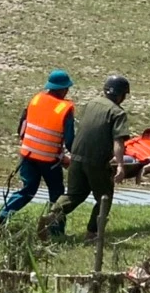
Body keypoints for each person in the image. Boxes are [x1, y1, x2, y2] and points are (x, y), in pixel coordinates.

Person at [45, 75, 130, 241]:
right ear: (120, 95)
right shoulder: (117, 112)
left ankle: (52, 214)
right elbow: (118, 141)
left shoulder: (91, 104)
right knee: (104, 197)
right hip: (97, 162)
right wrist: (120, 165)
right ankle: (92, 233)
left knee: (74, 194)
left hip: (76, 157)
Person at [0, 70, 75, 224]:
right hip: (49, 160)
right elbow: (70, 140)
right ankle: (55, 229)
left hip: (28, 155)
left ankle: (3, 214)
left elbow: (22, 128)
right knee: (57, 194)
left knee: (27, 190)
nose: (67, 91)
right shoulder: (65, 108)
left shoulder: (36, 100)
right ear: (62, 89)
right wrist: (75, 158)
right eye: (67, 88)